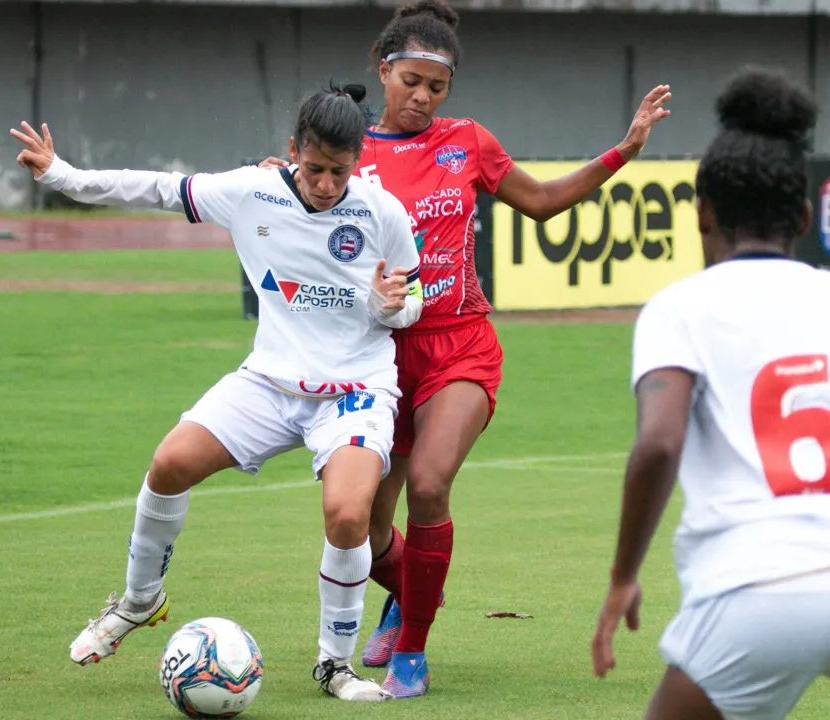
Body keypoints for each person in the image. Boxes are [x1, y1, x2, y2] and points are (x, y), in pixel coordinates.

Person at [259, 0, 670, 697]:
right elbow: (295, 214)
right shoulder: (347, 153)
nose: (422, 97)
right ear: (383, 71)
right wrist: (285, 182)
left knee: (428, 486)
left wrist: (623, 152)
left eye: (436, 87)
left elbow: (539, 202)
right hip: (378, 357)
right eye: (410, 81)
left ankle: (413, 647)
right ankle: (415, 593)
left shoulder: (466, 142)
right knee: (368, 525)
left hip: (460, 349)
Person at [10, 84, 425, 703]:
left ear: (357, 160)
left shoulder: (381, 211)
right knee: (168, 464)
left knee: (347, 515)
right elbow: (154, 188)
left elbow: (411, 302)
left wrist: (390, 305)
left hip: (356, 391)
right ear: (292, 153)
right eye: (314, 169)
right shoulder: (249, 192)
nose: (326, 184)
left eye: (339, 171)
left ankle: (335, 667)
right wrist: (63, 175)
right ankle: (139, 600)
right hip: (268, 381)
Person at [591, 66, 830, 720]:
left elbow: (659, 445)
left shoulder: (680, 308)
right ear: (805, 215)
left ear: (702, 213)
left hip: (754, 588)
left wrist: (621, 578)